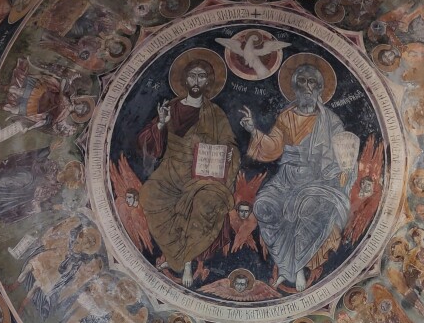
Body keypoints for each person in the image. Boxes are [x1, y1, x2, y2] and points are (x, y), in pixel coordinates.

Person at [241, 58, 358, 292]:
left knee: (305, 210)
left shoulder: (330, 120)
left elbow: (344, 152)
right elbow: (274, 146)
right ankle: (287, 266)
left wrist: (344, 168)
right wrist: (253, 130)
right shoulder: (286, 117)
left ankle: (296, 269)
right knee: (263, 205)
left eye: (312, 82)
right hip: (287, 178)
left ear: (319, 89)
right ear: (294, 87)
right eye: (302, 82)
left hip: (318, 180)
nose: (307, 87)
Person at [137, 49, 239, 288]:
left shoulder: (215, 113)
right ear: (184, 80)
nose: (196, 81)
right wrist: (161, 123)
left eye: (201, 76)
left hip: (203, 175)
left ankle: (185, 262)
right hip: (171, 170)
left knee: (204, 204)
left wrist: (226, 155)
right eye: (192, 76)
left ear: (208, 82)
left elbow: (229, 144)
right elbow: (146, 143)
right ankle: (176, 255)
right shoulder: (170, 107)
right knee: (149, 195)